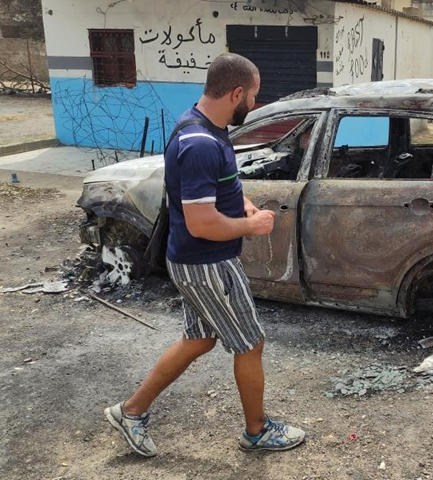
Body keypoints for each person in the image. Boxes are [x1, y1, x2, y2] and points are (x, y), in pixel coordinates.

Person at [104, 53, 306, 457]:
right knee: (250, 344)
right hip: (206, 263)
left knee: (198, 340)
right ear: (235, 93)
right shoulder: (198, 143)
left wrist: (243, 204)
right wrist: (253, 226)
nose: (256, 103)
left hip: (199, 260)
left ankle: (131, 410)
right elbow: (201, 223)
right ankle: (257, 430)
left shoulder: (207, 127)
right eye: (253, 95)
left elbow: (217, 189)